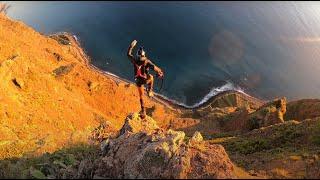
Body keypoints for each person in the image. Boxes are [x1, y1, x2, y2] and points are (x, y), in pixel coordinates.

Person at [127, 40, 164, 118]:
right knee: (151, 77)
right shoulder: (146, 61)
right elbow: (155, 68)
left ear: (137, 55)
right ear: (144, 55)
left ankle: (143, 111)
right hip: (145, 80)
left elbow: (128, 54)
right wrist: (160, 72)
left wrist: (131, 46)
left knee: (141, 96)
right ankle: (150, 91)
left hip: (138, 81)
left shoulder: (134, 60)